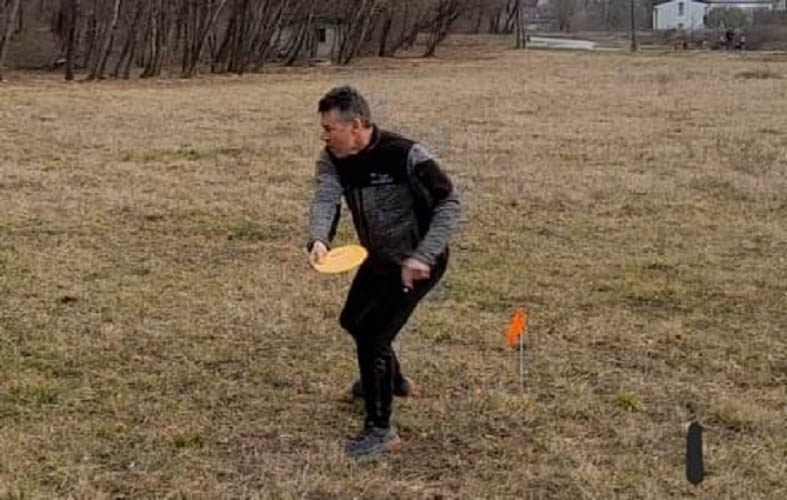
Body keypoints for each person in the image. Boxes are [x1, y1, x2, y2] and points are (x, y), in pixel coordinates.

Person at [307, 86, 461, 458]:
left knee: (374, 335)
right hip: (377, 259)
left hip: (417, 263)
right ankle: (392, 381)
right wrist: (319, 239)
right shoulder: (333, 159)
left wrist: (423, 256)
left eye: (329, 128)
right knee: (352, 320)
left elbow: (449, 203)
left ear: (356, 125)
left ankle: (380, 430)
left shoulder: (406, 154)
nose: (324, 136)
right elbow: (326, 198)